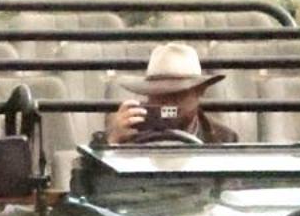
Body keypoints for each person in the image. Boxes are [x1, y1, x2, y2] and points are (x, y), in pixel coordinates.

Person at [102, 42, 240, 144]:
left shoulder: (224, 139)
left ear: (199, 91)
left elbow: (232, 182)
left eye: (177, 95)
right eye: (159, 96)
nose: (167, 104)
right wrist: (112, 142)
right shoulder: (127, 130)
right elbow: (93, 177)